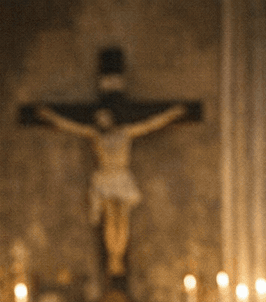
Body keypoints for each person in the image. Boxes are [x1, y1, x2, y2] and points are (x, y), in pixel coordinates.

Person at [34, 103, 188, 277]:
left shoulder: (125, 133)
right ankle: (113, 258)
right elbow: (72, 127)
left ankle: (118, 257)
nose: (102, 121)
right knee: (109, 218)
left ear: (112, 118)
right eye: (99, 118)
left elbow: (150, 124)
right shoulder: (95, 135)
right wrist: (51, 117)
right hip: (105, 179)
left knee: (122, 219)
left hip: (121, 178)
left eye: (105, 116)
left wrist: (171, 114)